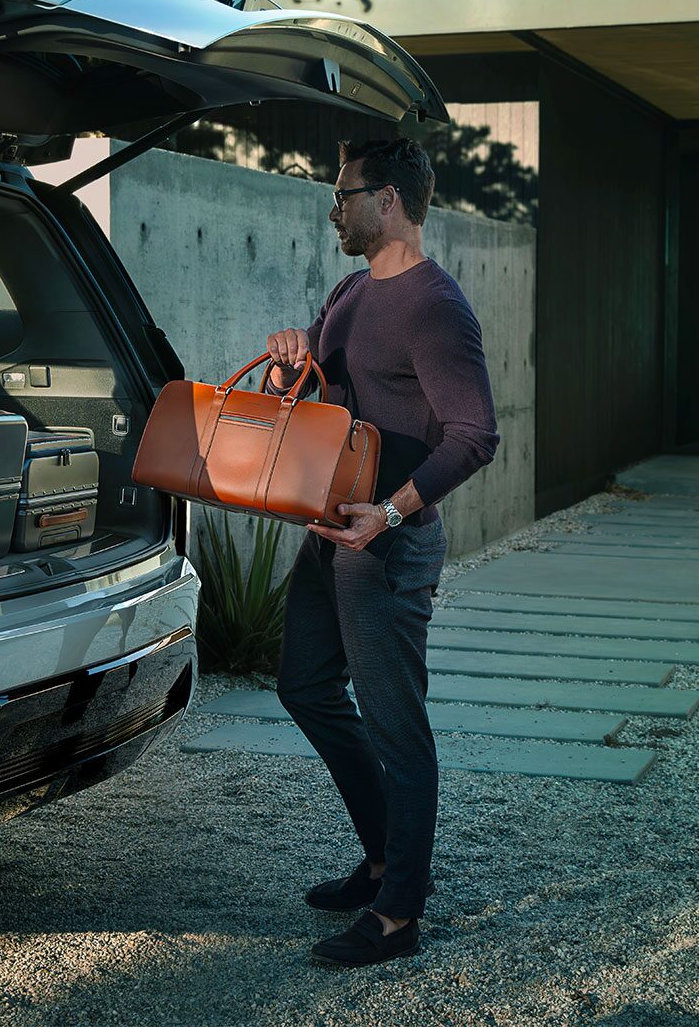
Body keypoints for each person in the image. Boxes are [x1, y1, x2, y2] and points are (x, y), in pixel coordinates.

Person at [264, 137, 499, 968]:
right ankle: (379, 860)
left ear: (389, 199)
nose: (335, 209)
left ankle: (399, 915)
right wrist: (293, 353)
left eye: (344, 195)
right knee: (304, 687)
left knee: (398, 729)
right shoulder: (351, 291)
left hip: (385, 545)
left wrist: (389, 517)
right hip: (331, 535)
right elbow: (310, 400)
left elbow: (476, 435)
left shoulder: (435, 306)